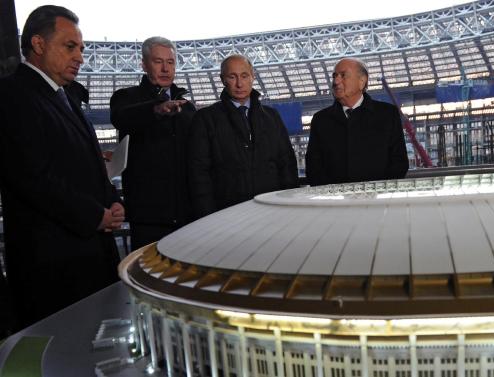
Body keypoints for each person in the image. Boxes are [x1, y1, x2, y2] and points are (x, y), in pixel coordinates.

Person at [0, 5, 124, 330]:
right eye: (70, 47)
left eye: (81, 48)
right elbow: (33, 176)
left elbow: (90, 163)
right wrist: (94, 215)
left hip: (89, 255)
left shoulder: (65, 97)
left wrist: (113, 200)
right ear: (39, 44)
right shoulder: (12, 95)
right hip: (53, 266)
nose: (80, 56)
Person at [188, 54, 298, 218]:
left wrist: (289, 206)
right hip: (226, 215)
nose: (239, 84)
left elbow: (286, 164)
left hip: (272, 211)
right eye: (232, 77)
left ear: (253, 76)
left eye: (244, 76)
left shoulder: (271, 116)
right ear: (222, 79)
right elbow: (199, 174)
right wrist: (207, 217)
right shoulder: (205, 119)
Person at [110, 37, 196, 248]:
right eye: (158, 62)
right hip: (148, 217)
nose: (166, 68)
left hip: (187, 214)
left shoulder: (187, 107)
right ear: (144, 64)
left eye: (171, 62)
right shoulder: (125, 97)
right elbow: (121, 117)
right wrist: (156, 109)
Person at [305, 58, 409, 186]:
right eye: (334, 76)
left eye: (343, 76)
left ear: (362, 81)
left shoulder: (387, 114)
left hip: (376, 200)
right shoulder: (320, 120)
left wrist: (379, 190)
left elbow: (399, 161)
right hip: (335, 202)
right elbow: (313, 166)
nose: (336, 81)